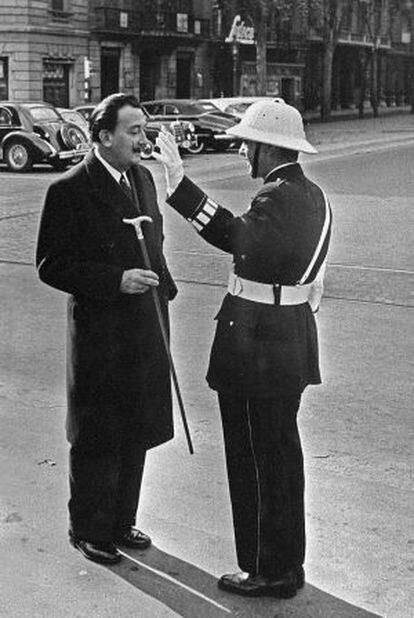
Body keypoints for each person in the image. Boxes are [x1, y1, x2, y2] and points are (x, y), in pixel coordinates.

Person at [154, 100, 332, 598]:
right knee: (278, 455)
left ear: (268, 147)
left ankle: (265, 569)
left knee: (256, 459)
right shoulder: (310, 193)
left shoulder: (278, 196)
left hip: (259, 349)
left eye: (245, 143)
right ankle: (284, 565)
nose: (239, 150)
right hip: (287, 340)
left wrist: (180, 188)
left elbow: (238, 238)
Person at [36, 93, 177, 565]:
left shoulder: (143, 179)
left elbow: (154, 242)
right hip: (101, 332)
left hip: (145, 327)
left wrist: (165, 289)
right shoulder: (69, 189)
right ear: (103, 137)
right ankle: (89, 529)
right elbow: (51, 265)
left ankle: (121, 521)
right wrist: (115, 280)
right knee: (99, 433)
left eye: (143, 129)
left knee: (136, 427)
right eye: (133, 131)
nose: (143, 139)